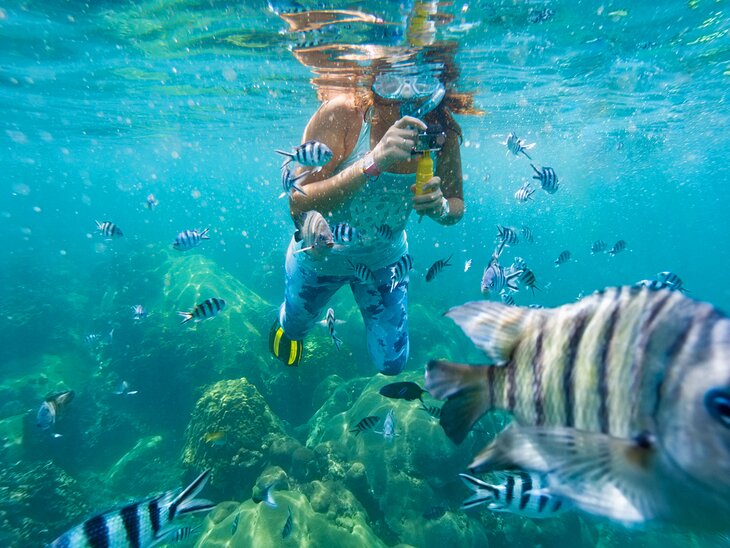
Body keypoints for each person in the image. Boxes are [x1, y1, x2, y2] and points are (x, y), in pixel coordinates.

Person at [269, 68, 464, 373]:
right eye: (392, 78)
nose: (407, 90)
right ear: (375, 72)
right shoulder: (346, 113)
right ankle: (286, 325)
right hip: (320, 254)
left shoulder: (441, 130)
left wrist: (440, 208)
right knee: (293, 328)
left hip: (384, 259)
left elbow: (456, 205)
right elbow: (298, 202)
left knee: (392, 363)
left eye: (421, 80)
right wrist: (372, 162)